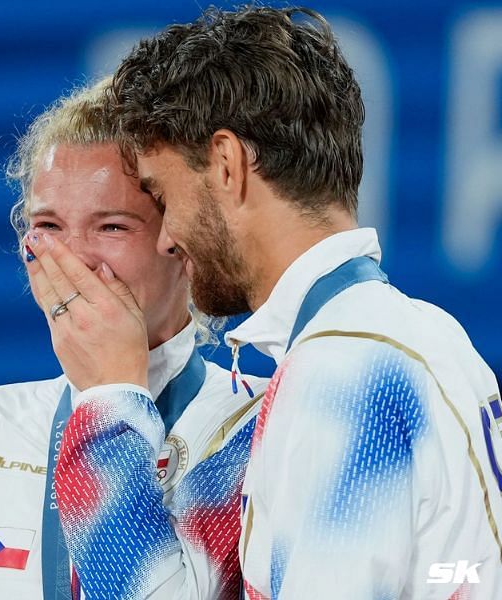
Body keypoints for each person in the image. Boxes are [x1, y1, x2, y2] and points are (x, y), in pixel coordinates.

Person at [39, 5, 501, 598]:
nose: (166, 237)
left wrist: (106, 399)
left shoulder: (342, 370)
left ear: (227, 165)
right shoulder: (419, 336)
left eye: (162, 193)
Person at [0, 78, 265, 599]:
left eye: (112, 227)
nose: (72, 258)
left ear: (185, 242)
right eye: (48, 225)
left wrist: (111, 391)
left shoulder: (259, 425)